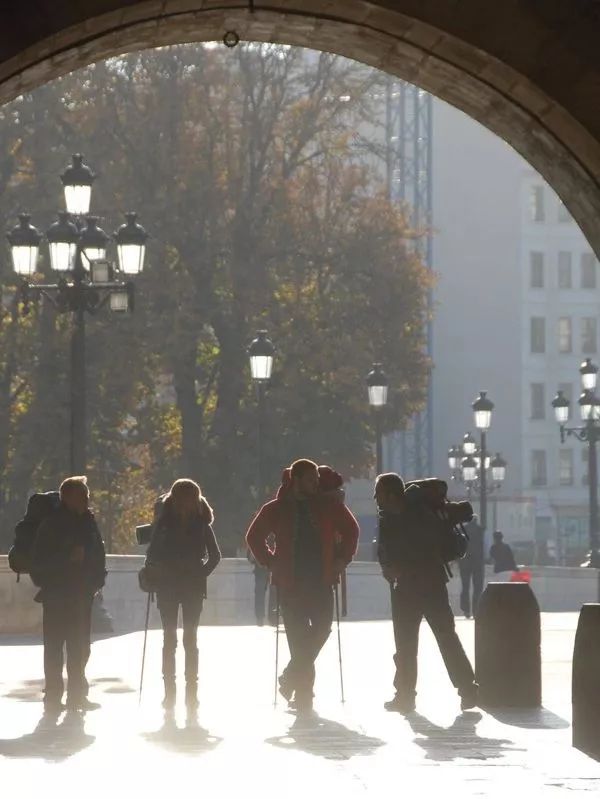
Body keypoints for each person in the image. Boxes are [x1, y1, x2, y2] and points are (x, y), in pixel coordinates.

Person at [246, 459, 359, 712]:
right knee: (298, 639)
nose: (315, 484)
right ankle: (305, 695)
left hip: (322, 580)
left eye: (316, 480)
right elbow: (253, 536)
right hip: (290, 583)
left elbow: (352, 530)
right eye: (310, 480)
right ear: (296, 480)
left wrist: (342, 559)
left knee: (322, 628)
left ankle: (290, 676)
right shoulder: (277, 508)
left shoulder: (328, 506)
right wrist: (269, 561)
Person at [376, 472, 478, 714]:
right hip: (415, 584)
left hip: (424, 583)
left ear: (391, 494)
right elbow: (384, 550)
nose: (375, 498)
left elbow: (426, 546)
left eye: (378, 493)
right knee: (420, 641)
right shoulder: (388, 517)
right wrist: (388, 567)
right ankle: (460, 690)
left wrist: (399, 566)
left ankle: (461, 689)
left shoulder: (417, 514)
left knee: (431, 639)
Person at [30, 476, 106, 714]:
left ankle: (77, 695)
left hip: (82, 595)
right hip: (57, 595)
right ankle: (53, 694)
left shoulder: (88, 521)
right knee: (55, 646)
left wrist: (97, 580)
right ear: (69, 497)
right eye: (83, 494)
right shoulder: (52, 524)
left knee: (81, 646)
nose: (87, 498)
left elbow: (97, 552)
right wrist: (67, 559)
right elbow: (38, 563)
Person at [144, 479, 221, 711]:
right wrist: (154, 572)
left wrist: (200, 574)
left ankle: (191, 692)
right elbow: (152, 553)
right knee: (169, 640)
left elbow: (215, 555)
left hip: (192, 588)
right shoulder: (163, 524)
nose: (188, 503)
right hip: (167, 586)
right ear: (175, 499)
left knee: (190, 639)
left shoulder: (202, 525)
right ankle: (169, 692)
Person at [458, 515, 485, 618]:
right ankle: (476, 610)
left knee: (465, 587)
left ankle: (466, 610)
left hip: (464, 562)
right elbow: (483, 546)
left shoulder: (461, 529)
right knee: (477, 587)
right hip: (477, 562)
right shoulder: (480, 530)